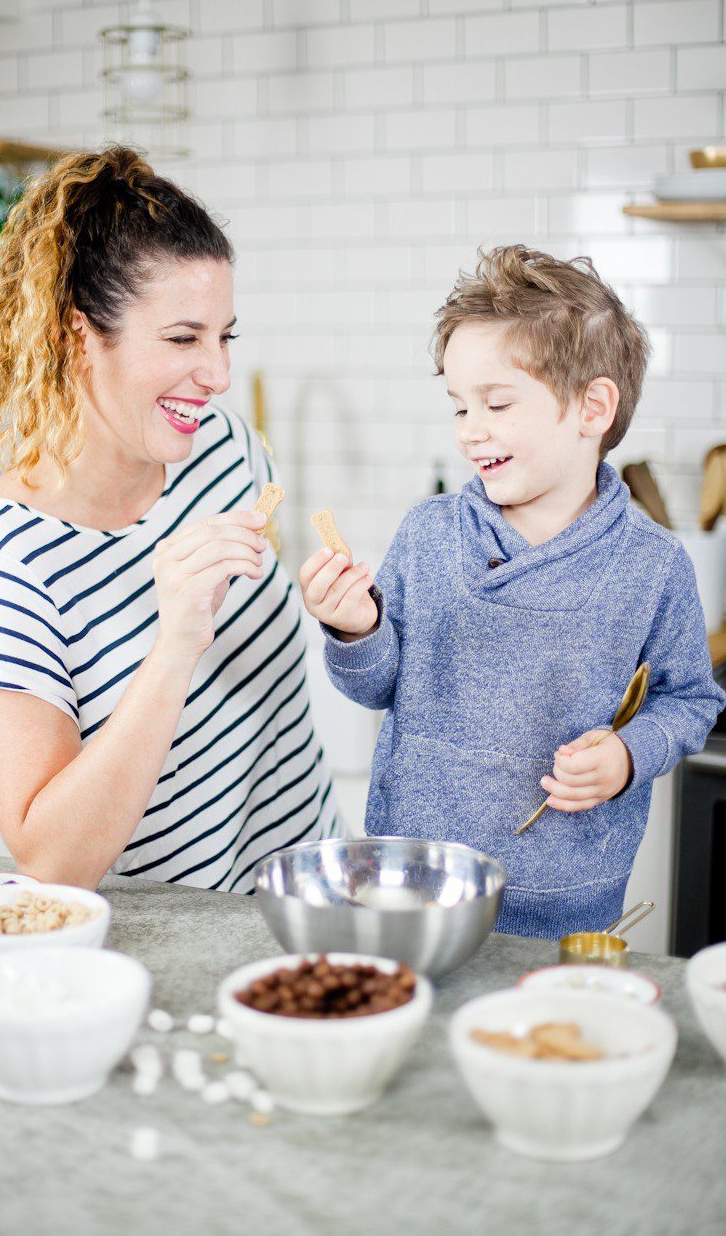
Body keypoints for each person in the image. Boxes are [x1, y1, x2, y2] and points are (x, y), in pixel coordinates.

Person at [300, 244, 724, 939]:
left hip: (565, 905)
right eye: (459, 407)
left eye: (496, 402)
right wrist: (356, 627)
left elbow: (690, 700)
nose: (471, 430)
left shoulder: (651, 565)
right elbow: (376, 686)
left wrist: (625, 757)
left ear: (593, 407)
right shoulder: (430, 533)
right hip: (410, 885)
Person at [0, 146, 337, 893]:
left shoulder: (226, 449)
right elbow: (52, 858)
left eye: (226, 336)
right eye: (184, 339)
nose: (218, 375)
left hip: (314, 907)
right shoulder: (5, 556)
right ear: (78, 338)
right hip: (173, 961)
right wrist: (175, 642)